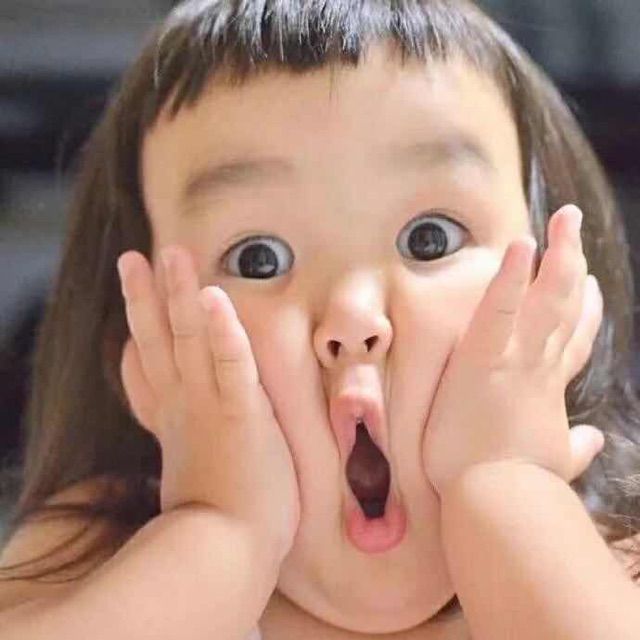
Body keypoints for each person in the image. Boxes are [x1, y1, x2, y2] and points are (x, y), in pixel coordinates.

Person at [0, 0, 639, 638]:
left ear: (557, 296)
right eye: (257, 258)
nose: (354, 318)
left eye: (431, 239)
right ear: (145, 350)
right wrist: (219, 528)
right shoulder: (92, 560)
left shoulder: (613, 560)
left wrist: (507, 489)